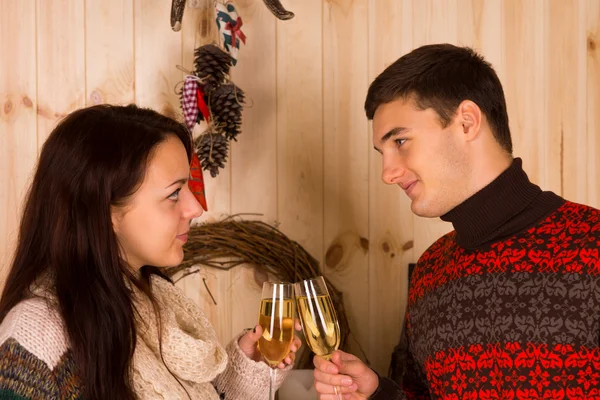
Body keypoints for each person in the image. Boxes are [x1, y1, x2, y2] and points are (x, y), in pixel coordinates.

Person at [312, 43, 600, 399]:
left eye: (400, 141)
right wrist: (378, 395)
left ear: (467, 122)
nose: (387, 173)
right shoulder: (431, 272)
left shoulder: (592, 245)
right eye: (382, 152)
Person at [0, 104, 301, 400]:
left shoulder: (154, 303)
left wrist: (248, 369)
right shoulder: (37, 336)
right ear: (106, 213)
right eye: (173, 193)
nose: (195, 207)